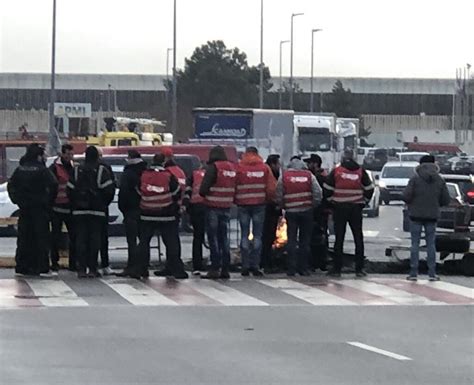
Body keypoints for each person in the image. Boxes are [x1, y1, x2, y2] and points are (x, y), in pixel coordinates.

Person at [132, 154, 188, 280]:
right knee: (171, 242)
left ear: (152, 162)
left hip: (147, 214)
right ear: (163, 162)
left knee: (144, 242)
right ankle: (176, 269)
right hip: (166, 214)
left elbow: (138, 191)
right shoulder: (168, 176)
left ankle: (141, 269)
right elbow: (177, 192)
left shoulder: (144, 175)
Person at [8, 144, 58, 277]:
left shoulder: (20, 169)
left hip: (24, 209)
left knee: (24, 238)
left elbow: (11, 185)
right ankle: (42, 267)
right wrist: (48, 202)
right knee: (41, 238)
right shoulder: (42, 170)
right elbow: (53, 184)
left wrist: (17, 200)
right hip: (39, 209)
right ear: (38, 156)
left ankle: (23, 266)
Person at [323, 150, 374, 278]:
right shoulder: (360, 172)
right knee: (358, 238)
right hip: (356, 208)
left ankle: (337, 269)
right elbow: (369, 188)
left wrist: (331, 202)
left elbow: (327, 188)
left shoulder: (337, 172)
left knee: (339, 238)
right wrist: (364, 202)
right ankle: (359, 269)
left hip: (339, 208)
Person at [67, 146, 115, 278]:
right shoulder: (102, 171)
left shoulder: (76, 170)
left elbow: (69, 190)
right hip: (97, 212)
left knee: (80, 239)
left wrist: (75, 204)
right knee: (95, 240)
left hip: (79, 211)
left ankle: (81, 269)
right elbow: (109, 191)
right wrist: (103, 205)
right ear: (97, 157)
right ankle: (93, 269)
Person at [403, 155, 450, 281]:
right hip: (432, 216)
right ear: (434, 165)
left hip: (415, 215)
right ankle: (432, 273)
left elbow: (406, 196)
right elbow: (446, 200)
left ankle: (413, 273)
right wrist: (435, 204)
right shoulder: (440, 180)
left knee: (415, 244)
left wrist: (413, 203)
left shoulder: (414, 179)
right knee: (431, 244)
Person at [276, 156, 322, 276]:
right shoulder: (309, 176)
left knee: (291, 240)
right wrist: (313, 205)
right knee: (304, 241)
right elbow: (318, 192)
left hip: (291, 212)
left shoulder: (284, 176)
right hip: (306, 211)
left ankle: (291, 269)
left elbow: (279, 193)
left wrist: (283, 206)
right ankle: (303, 268)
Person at [235, 147, 276, 277]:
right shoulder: (264, 168)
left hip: (242, 204)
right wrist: (268, 200)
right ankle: (255, 265)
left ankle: (245, 266)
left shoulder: (239, 168)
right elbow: (271, 188)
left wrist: (236, 199)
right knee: (258, 236)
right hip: (259, 204)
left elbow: (233, 185)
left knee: (244, 235)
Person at [199, 146, 236, 279]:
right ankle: (225, 269)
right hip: (226, 206)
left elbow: (203, 189)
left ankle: (215, 268)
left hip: (213, 206)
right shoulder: (231, 167)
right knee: (224, 238)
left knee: (213, 238)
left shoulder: (214, 167)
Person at [116, 150, 147, 277]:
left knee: (132, 241)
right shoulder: (145, 170)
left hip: (131, 210)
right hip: (145, 209)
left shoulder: (128, 172)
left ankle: (132, 267)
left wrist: (123, 208)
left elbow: (123, 192)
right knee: (144, 240)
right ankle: (143, 267)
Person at [49, 144, 76, 272]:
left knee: (74, 236)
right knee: (55, 236)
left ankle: (73, 263)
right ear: (62, 154)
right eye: (68, 154)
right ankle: (54, 262)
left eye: (71, 154)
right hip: (57, 207)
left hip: (70, 207)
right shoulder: (54, 168)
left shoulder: (74, 167)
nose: (70, 157)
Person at [304, 154, 329, 271]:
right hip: (320, 211)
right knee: (320, 236)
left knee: (316, 237)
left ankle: (316, 262)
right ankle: (320, 262)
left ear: (315, 164)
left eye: (309, 163)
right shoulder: (323, 176)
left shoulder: (318, 178)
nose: (307, 166)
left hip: (318, 212)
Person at [183, 162, 207, 274]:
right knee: (217, 237)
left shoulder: (193, 175)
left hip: (196, 208)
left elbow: (187, 192)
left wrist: (186, 207)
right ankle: (216, 263)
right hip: (211, 206)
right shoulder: (213, 174)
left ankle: (197, 264)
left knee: (197, 237)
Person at [260, 154, 282, 272]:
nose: (279, 167)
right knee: (268, 236)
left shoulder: (268, 172)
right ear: (273, 164)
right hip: (269, 208)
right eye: (278, 164)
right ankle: (266, 262)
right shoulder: (270, 173)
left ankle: (265, 261)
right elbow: (272, 191)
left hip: (267, 207)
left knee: (267, 236)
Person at [98, 149, 116, 275]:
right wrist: (105, 203)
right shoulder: (105, 168)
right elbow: (111, 188)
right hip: (101, 209)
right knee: (102, 238)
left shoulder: (80, 169)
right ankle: (104, 264)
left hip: (83, 209)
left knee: (86, 238)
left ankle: (86, 265)